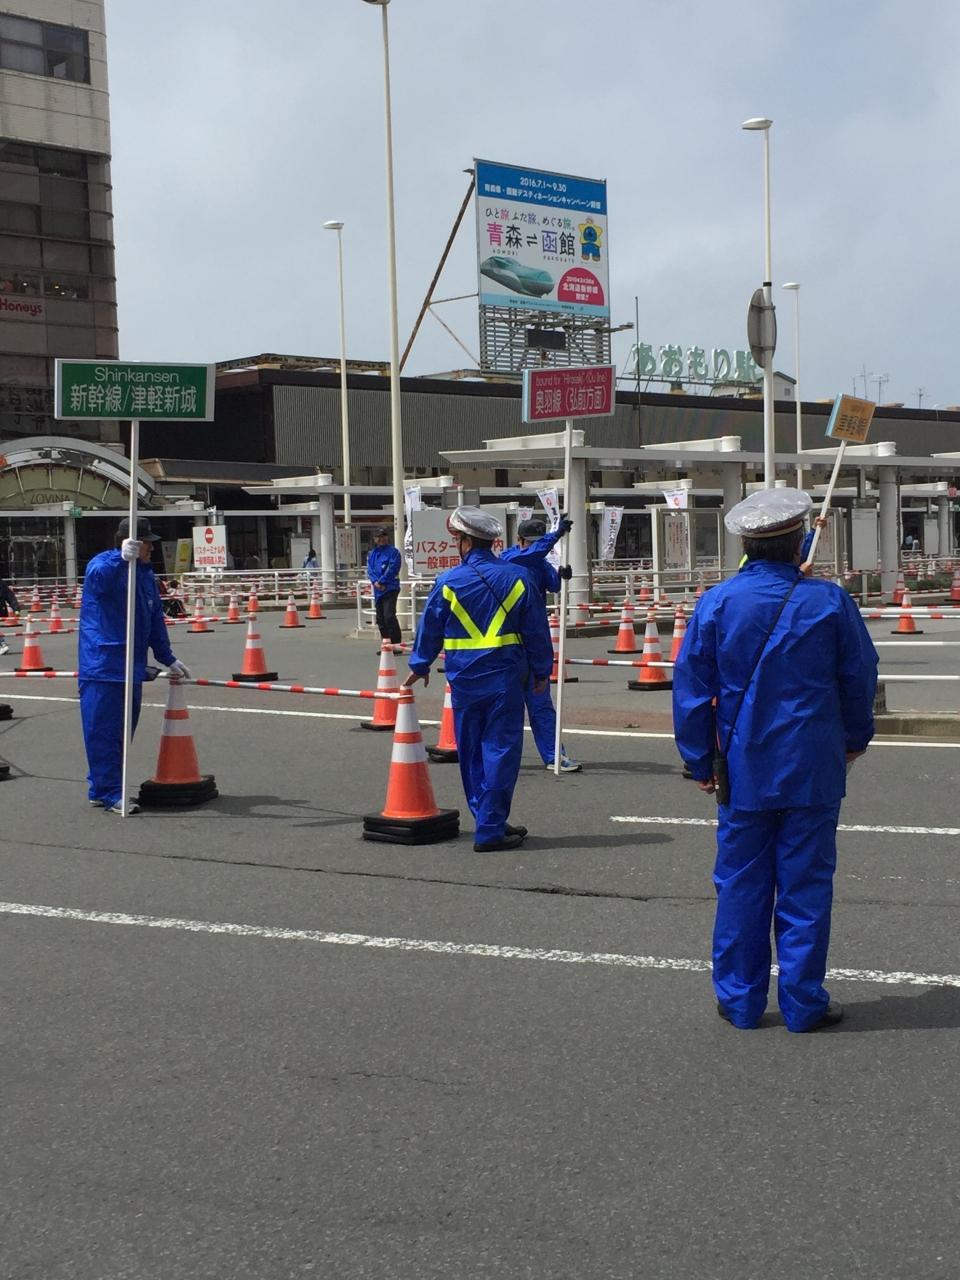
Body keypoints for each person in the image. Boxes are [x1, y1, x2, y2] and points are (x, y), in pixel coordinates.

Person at [672, 488, 878, 1033]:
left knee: (741, 884)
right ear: (799, 540)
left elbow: (691, 689)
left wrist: (699, 760)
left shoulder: (717, 602)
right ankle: (804, 1003)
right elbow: (859, 677)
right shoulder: (829, 602)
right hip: (813, 764)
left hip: (742, 767)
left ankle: (740, 1001)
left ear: (745, 544)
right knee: (806, 886)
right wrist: (856, 737)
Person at [403, 506, 553, 852]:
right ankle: (490, 826)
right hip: (505, 678)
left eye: (457, 539)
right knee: (500, 749)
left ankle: (486, 818)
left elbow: (430, 627)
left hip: (464, 679)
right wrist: (541, 671)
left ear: (466, 542)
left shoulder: (448, 582)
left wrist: (420, 665)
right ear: (492, 542)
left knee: (471, 752)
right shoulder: (519, 578)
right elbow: (536, 631)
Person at [78, 517, 191, 814]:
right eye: (147, 543)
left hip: (131, 666)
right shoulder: (105, 564)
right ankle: (109, 791)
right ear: (131, 543)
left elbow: (154, 619)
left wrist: (167, 657)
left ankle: (102, 787)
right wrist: (120, 559)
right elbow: (97, 579)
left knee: (122, 733)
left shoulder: (144, 576)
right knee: (104, 733)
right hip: (103, 666)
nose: (152, 548)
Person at [499, 515, 581, 772]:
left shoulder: (539, 562)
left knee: (541, 704)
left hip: (534, 640)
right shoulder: (508, 558)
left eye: (538, 542)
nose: (535, 546)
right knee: (502, 707)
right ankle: (495, 759)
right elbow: (533, 553)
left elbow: (554, 585)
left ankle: (555, 755)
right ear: (519, 540)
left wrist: (561, 575)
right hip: (506, 645)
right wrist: (554, 536)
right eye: (531, 542)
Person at [366, 526, 402, 647]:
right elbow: (370, 570)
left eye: (383, 536)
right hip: (378, 590)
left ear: (387, 537)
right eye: (378, 537)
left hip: (390, 588)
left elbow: (393, 568)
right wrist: (375, 582)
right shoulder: (372, 553)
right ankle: (386, 644)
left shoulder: (394, 552)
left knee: (389, 616)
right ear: (375, 539)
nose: (381, 539)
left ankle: (396, 644)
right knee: (380, 619)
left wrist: (382, 581)